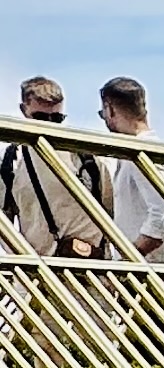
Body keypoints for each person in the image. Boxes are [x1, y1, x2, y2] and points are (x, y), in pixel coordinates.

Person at [2, 79, 112, 258]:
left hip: (90, 271)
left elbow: (111, 211)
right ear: (23, 110)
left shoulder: (86, 155)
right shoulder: (12, 160)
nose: (49, 125)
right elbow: (5, 223)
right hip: (38, 275)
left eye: (57, 118)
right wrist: (24, 260)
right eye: (41, 117)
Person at [98, 78, 164, 264]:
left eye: (103, 113)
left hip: (152, 273)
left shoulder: (141, 153)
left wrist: (129, 258)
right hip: (151, 271)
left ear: (110, 109)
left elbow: (163, 217)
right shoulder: (146, 150)